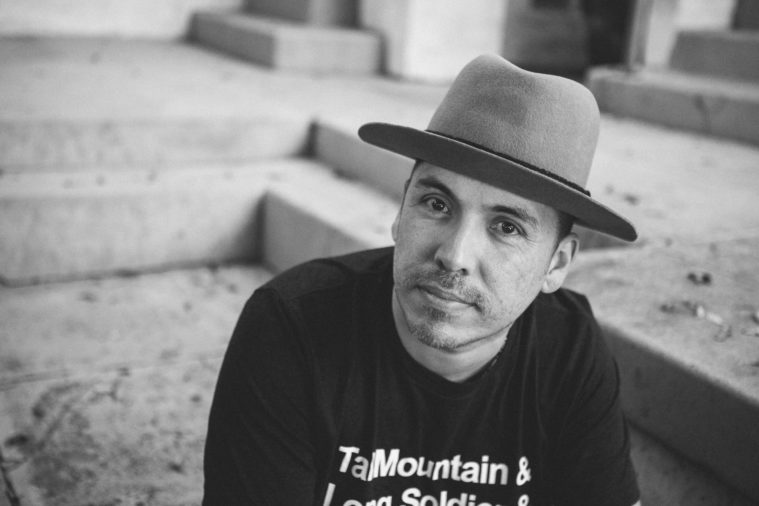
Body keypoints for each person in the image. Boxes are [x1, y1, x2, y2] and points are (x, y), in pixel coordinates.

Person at [203, 54, 641, 506]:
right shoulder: (291, 327)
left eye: (506, 227)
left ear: (556, 264)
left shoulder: (568, 351)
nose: (454, 256)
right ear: (400, 210)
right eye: (436, 204)